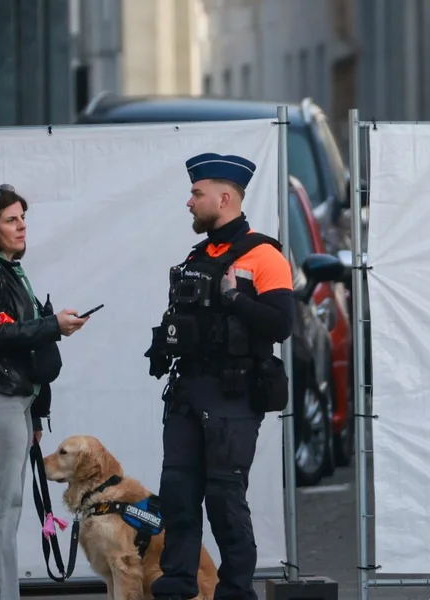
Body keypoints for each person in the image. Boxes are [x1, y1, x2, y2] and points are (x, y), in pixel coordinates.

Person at [147, 153, 295, 600]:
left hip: (233, 394)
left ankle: (235, 592)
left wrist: (234, 300)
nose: (189, 202)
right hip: (188, 391)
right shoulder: (197, 255)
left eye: (197, 193)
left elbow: (281, 325)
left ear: (225, 198)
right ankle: (176, 586)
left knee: (224, 498)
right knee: (177, 492)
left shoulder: (264, 255)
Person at [0, 185, 88, 600]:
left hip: (10, 403)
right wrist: (53, 326)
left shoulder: (4, 269)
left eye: (22, 218)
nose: (22, 226)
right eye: (11, 219)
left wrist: (35, 413)